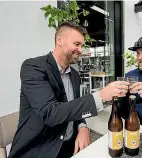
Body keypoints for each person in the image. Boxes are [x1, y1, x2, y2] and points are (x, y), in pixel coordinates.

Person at [9, 22, 129, 158]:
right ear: (59, 40)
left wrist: (83, 126)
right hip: (40, 148)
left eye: (82, 46)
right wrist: (100, 96)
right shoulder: (33, 67)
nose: (80, 50)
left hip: (69, 146)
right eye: (76, 44)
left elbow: (74, 107)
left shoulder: (75, 75)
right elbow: (50, 113)